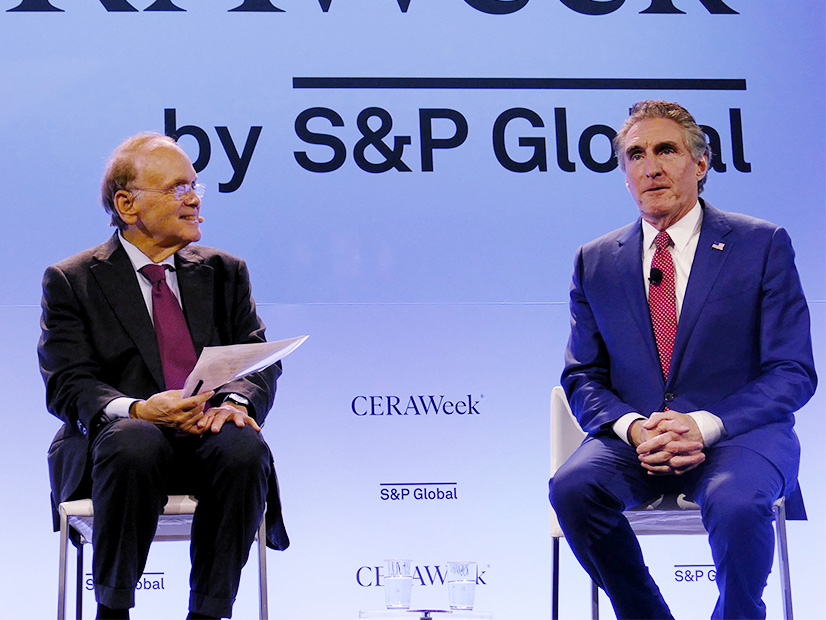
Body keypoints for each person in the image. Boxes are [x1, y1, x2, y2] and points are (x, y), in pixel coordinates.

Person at [549, 100, 816, 619]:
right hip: (639, 440)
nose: (651, 166)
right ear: (625, 174)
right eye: (635, 155)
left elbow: (793, 372)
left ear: (700, 163)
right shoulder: (596, 259)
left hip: (740, 436)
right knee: (573, 487)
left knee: (738, 505)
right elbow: (583, 376)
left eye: (666, 150)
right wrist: (632, 427)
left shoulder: (761, 245)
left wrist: (703, 424)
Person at [38, 133, 289, 620]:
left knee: (243, 446)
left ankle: (209, 613)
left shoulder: (225, 271)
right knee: (136, 439)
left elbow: (257, 360)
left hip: (205, 444)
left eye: (194, 185)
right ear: (127, 204)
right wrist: (136, 409)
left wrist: (233, 406)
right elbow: (67, 382)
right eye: (177, 188)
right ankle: (112, 609)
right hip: (116, 451)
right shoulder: (72, 279)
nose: (194, 198)